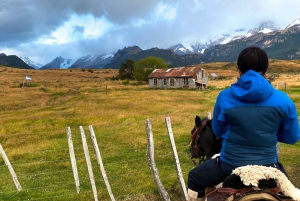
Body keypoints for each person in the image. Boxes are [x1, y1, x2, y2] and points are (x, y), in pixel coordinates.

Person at [187, 46, 300, 201]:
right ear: (266, 69)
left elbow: (218, 131)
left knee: (194, 177)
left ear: (239, 69)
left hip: (229, 163)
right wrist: (269, 132)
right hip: (269, 165)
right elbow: (292, 137)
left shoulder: (224, 97)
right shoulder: (284, 100)